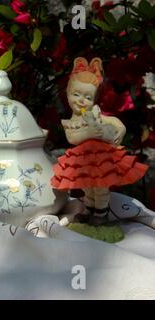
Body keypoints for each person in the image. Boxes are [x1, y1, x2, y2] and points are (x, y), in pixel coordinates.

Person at [51, 57, 148, 225]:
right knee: (87, 186)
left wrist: (120, 126)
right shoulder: (71, 122)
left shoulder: (95, 114)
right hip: (83, 160)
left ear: (94, 99)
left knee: (101, 186)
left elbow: (110, 121)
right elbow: (72, 138)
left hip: (101, 159)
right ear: (67, 94)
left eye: (88, 97)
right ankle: (88, 209)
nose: (82, 100)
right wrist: (88, 132)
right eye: (76, 94)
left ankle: (101, 213)